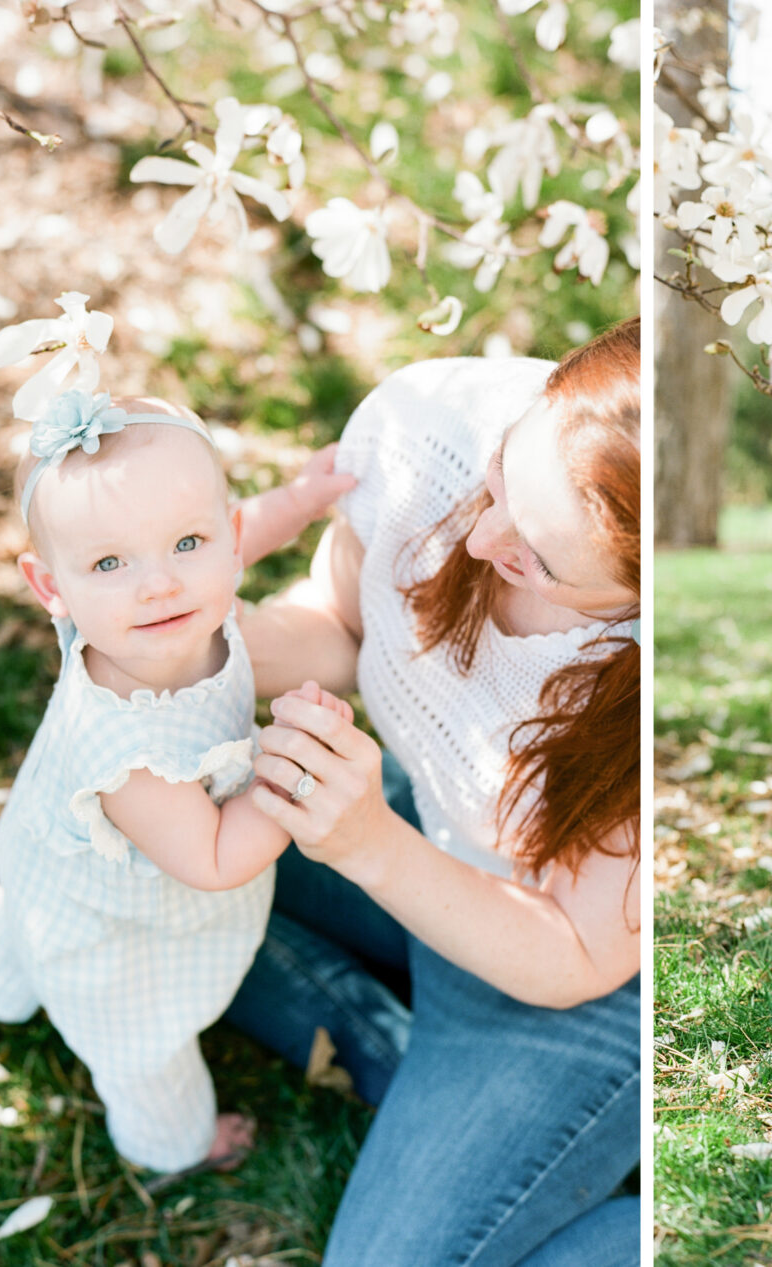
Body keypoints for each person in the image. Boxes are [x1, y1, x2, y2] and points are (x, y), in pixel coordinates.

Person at [225, 319, 642, 1265]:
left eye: (539, 555)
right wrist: (193, 626)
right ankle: (418, 1077)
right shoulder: (436, 430)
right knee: (148, 844)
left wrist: (370, 843)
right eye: (502, 479)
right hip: (429, 823)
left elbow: (577, 953)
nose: (484, 531)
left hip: (567, 976)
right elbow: (340, 623)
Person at [0, 390, 352, 1172]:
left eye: (188, 541)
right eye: (108, 562)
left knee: (27, 918)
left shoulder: (180, 601)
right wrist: (288, 764)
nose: (159, 583)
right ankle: (177, 1144)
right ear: (50, 587)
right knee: (143, 1053)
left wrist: (297, 502)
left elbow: (239, 531)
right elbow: (213, 860)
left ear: (227, 541)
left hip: (50, 860)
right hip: (122, 928)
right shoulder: (127, 751)